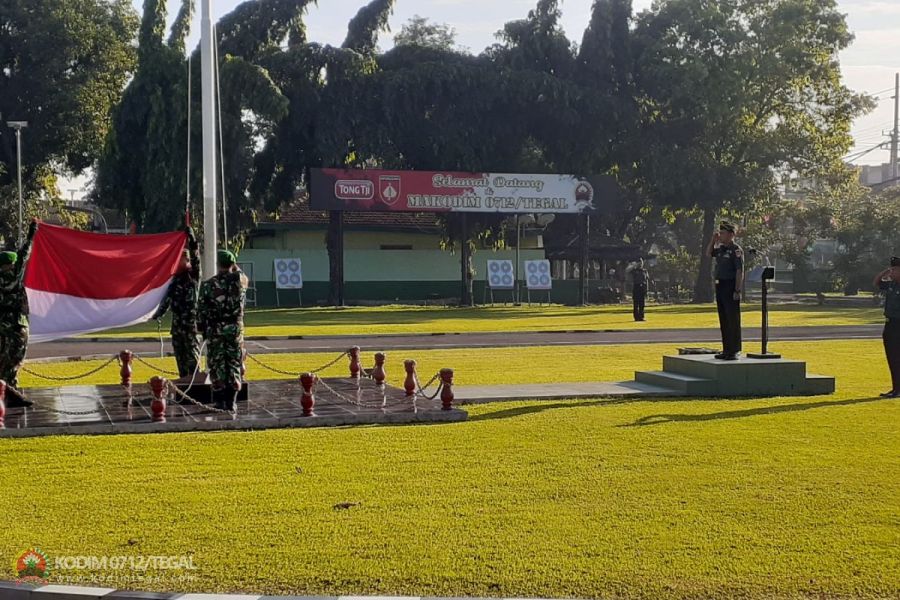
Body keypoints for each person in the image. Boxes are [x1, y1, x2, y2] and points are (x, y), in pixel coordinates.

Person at [198, 250, 247, 410]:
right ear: (232, 264)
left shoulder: (208, 285)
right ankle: (231, 401)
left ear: (217, 264)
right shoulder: (240, 282)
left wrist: (202, 328)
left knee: (217, 363)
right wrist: (233, 266)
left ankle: (220, 400)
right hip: (234, 329)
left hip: (215, 329)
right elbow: (242, 274)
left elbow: (201, 312)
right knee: (233, 362)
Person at [151, 227, 201, 378]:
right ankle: (184, 384)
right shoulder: (175, 280)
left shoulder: (193, 276)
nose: (177, 262)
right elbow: (166, 300)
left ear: (187, 260)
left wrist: (191, 239)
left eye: (180, 259)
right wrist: (158, 313)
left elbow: (196, 257)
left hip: (190, 326)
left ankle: (195, 384)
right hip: (178, 326)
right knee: (180, 359)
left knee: (192, 358)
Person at [0, 219, 38, 406]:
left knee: (2, 359)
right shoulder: (14, 274)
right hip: (17, 324)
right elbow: (25, 252)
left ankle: (4, 392)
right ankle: (11, 393)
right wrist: (33, 230)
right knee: (15, 359)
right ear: (11, 264)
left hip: (1, 324)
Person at [706, 221, 744, 360]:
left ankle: (734, 349)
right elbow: (709, 253)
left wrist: (737, 290)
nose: (720, 235)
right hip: (720, 285)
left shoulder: (736, 250)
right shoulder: (721, 249)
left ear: (731, 234)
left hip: (730, 285)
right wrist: (713, 241)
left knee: (732, 318)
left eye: (723, 233)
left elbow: (739, 271)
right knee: (723, 319)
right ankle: (726, 349)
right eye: (720, 233)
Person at [874, 257, 900, 397]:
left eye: (895, 270)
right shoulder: (892, 285)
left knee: (897, 358)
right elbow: (877, 282)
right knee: (892, 358)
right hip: (889, 324)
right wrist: (885, 272)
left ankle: (898, 390)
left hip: (898, 324)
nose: (892, 273)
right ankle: (895, 388)